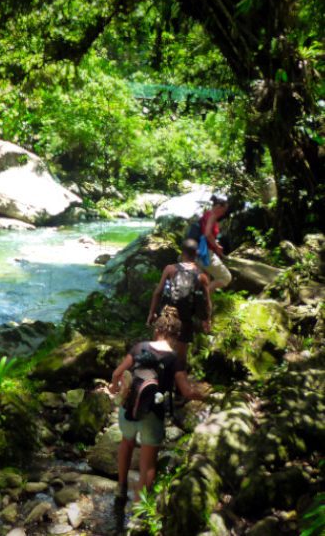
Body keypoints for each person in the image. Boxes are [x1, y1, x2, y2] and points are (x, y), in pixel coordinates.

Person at [110, 306, 208, 502]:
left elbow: (116, 374)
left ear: (157, 330)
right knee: (148, 465)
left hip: (128, 408)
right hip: (152, 413)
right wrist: (205, 396)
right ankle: (139, 512)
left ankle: (120, 488)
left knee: (126, 443)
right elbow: (186, 391)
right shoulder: (174, 359)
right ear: (176, 336)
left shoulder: (139, 347)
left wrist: (115, 389)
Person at [146, 238, 212, 366]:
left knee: (156, 352)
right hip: (185, 320)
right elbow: (207, 302)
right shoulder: (202, 276)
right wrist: (207, 320)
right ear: (196, 254)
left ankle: (156, 379)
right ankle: (176, 380)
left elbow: (158, 292)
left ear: (182, 253)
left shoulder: (170, 269)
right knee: (180, 360)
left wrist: (152, 313)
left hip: (167, 315)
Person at [199, 194, 232, 293]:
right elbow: (207, 233)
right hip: (205, 252)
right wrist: (216, 245)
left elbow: (205, 233)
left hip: (199, 250)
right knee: (225, 277)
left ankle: (203, 305)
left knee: (205, 281)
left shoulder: (206, 214)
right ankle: (200, 299)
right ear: (218, 206)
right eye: (224, 210)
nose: (223, 213)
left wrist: (215, 242)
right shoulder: (212, 216)